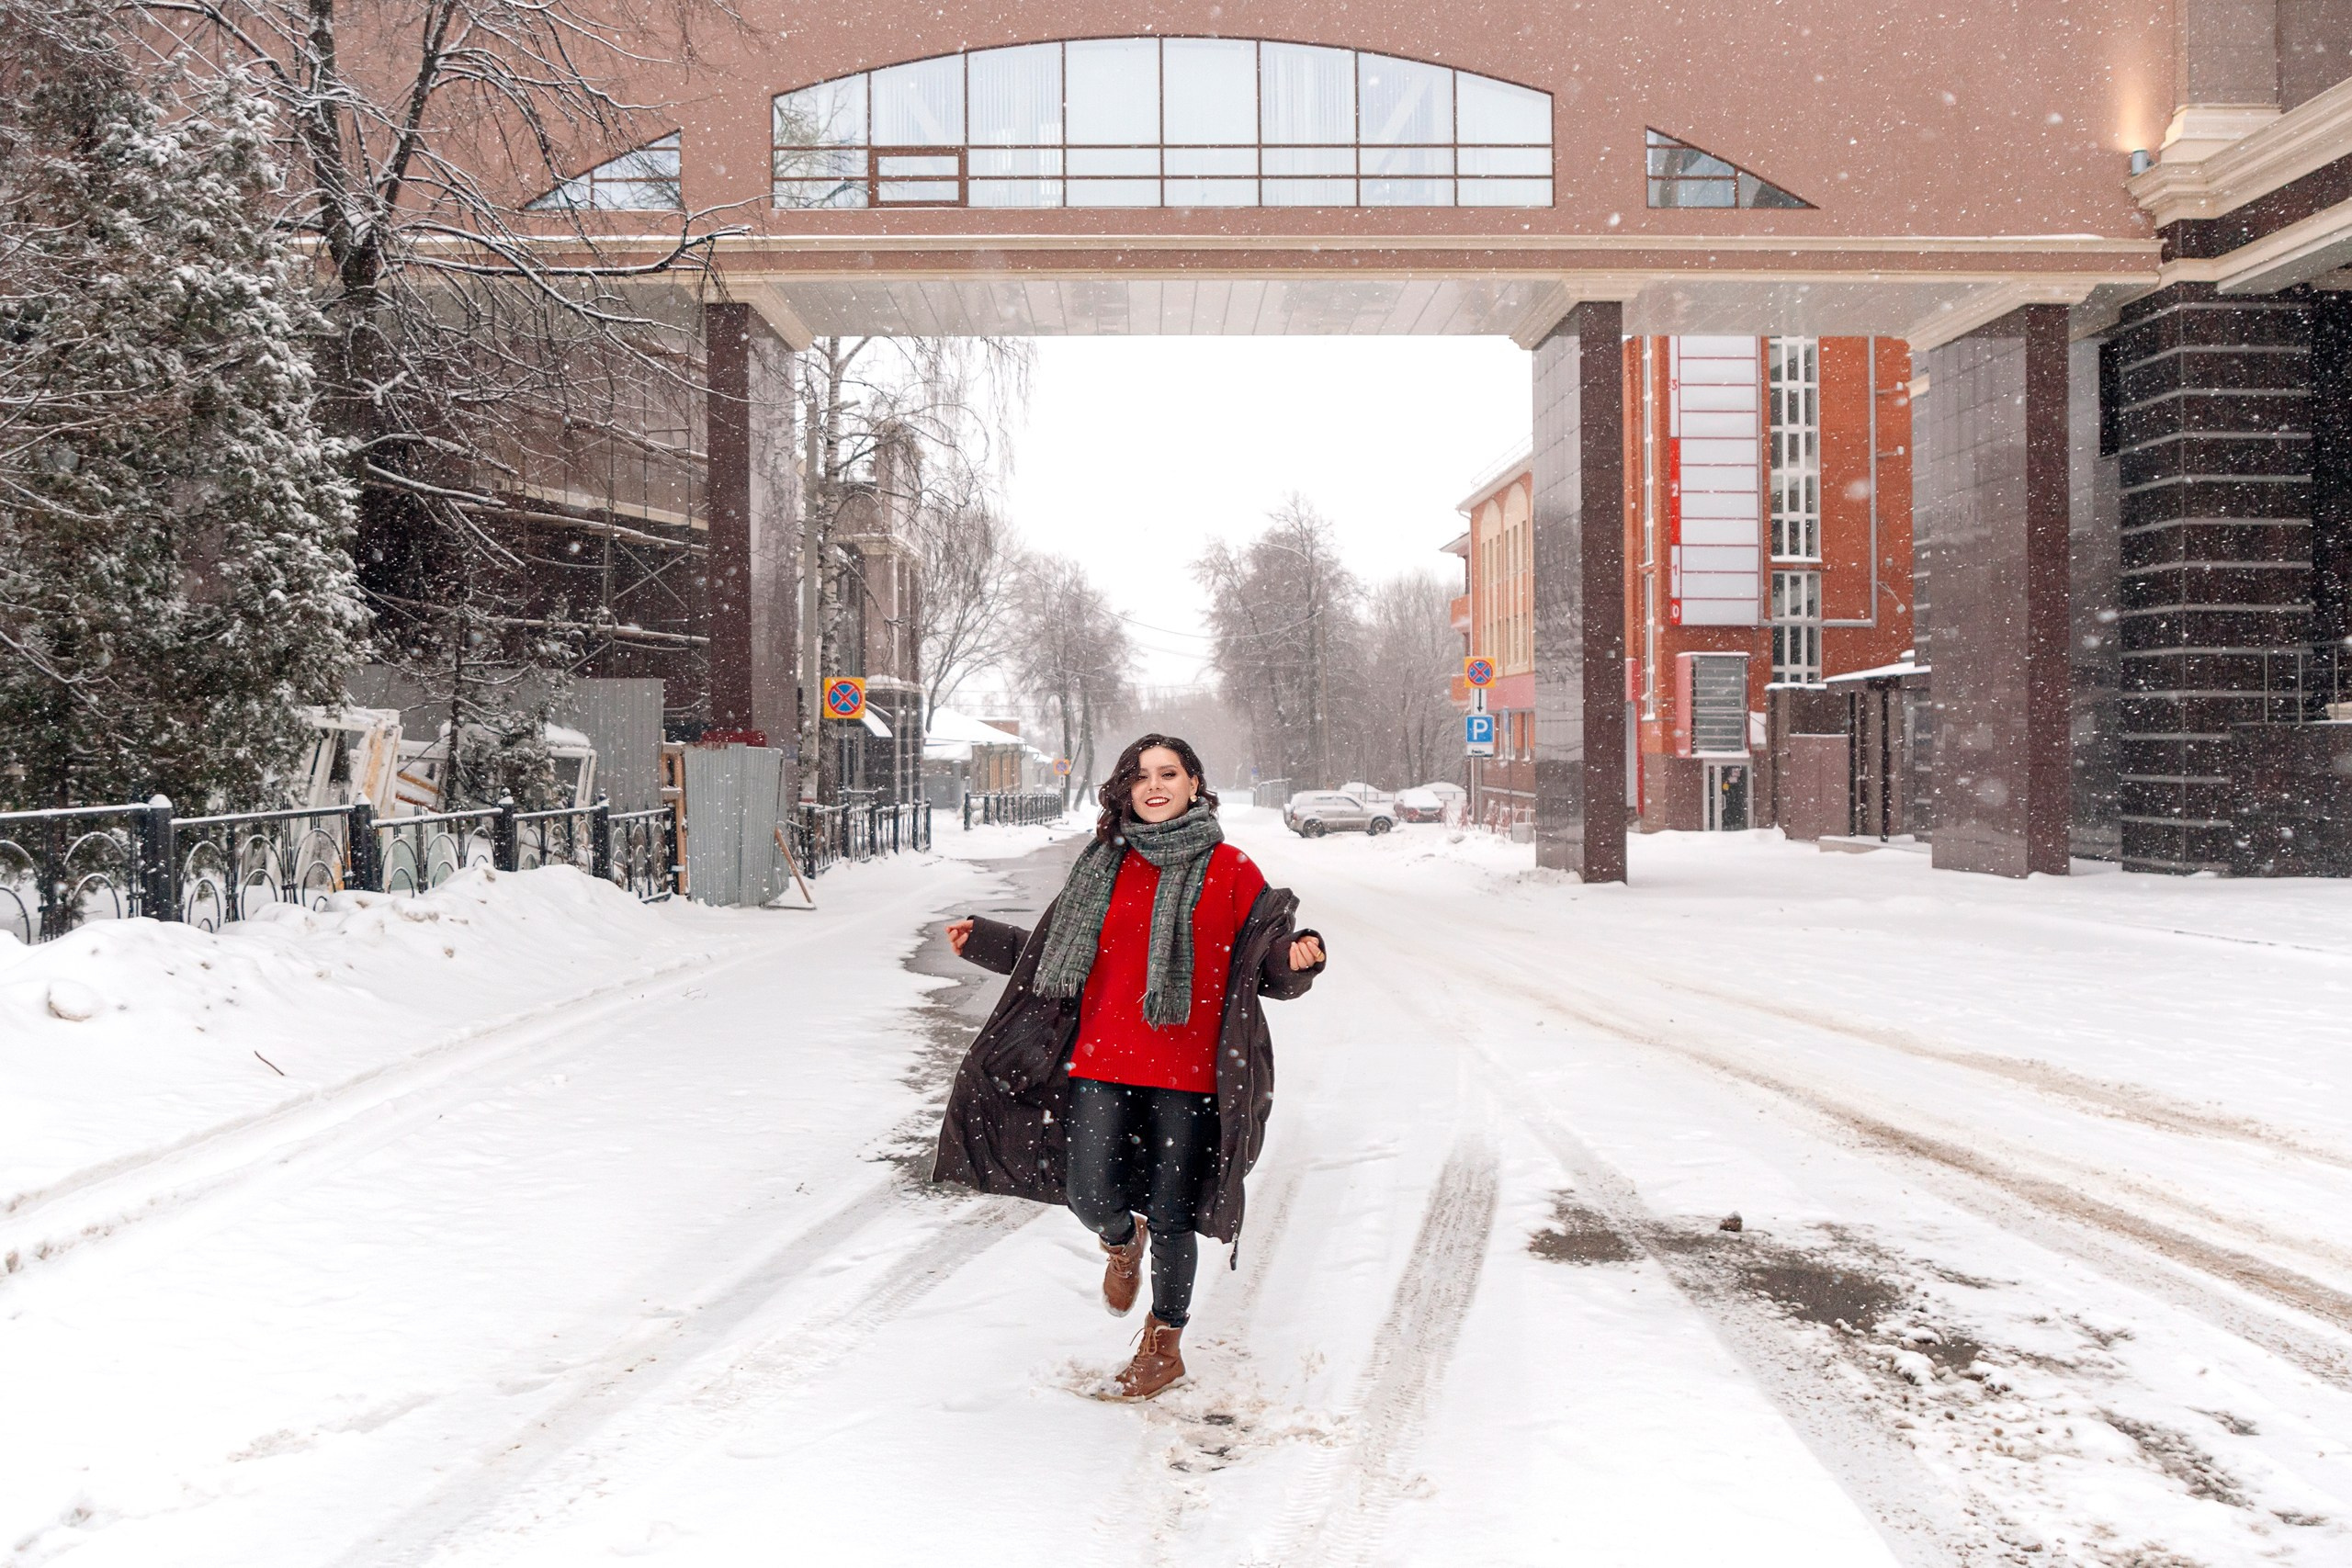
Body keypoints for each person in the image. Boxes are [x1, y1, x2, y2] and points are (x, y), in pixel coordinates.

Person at [932, 734, 1327, 1400]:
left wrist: (1294, 959)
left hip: (1191, 1074)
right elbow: (1057, 958)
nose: (1154, 785)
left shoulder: (1231, 869)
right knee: (1090, 1194)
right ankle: (1120, 1241)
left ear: (1195, 783)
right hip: (1102, 1063)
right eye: (1141, 775)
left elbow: (1261, 961)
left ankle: (1164, 1343)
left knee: (1173, 1214)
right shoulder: (1102, 867)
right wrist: (992, 941)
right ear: (1125, 788)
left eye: (1168, 773)